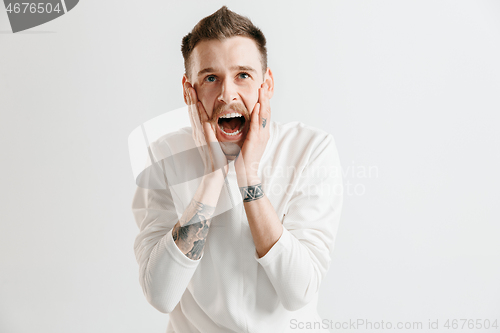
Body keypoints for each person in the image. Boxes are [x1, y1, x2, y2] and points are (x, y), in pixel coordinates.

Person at [131, 6, 343, 333]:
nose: (227, 93)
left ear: (266, 85)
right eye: (211, 78)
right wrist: (212, 176)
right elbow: (161, 294)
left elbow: (298, 291)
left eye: (242, 75)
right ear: (190, 91)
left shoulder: (311, 150)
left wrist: (249, 179)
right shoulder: (163, 157)